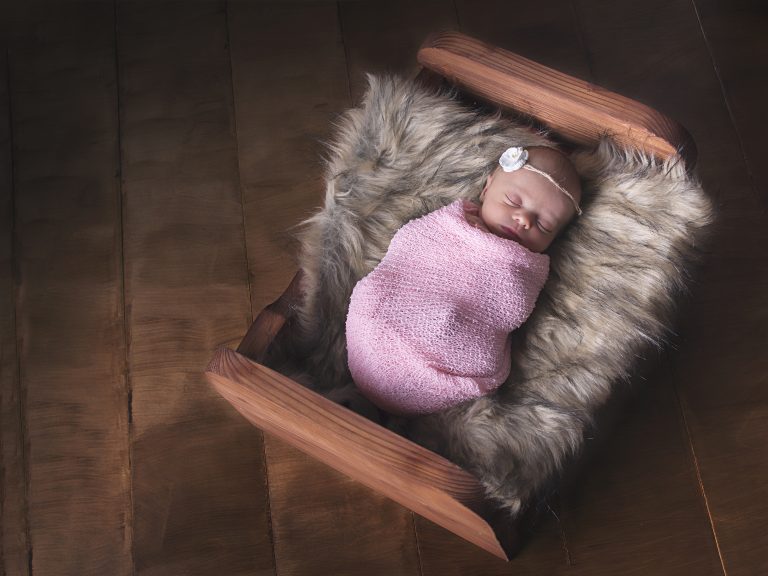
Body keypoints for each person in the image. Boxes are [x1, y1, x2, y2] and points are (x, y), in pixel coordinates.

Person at [345, 145, 582, 416]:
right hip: (380, 329)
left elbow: (509, 307)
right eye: (513, 202)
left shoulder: (526, 268)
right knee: (373, 294)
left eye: (544, 225)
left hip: (455, 355)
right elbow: (408, 249)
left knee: (453, 327)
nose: (523, 219)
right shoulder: (447, 226)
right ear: (486, 188)